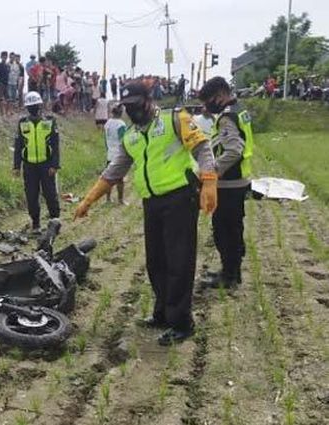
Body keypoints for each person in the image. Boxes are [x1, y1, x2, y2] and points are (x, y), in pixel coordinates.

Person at [74, 81, 217, 345]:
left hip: (180, 199)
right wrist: (89, 200)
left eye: (136, 105)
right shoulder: (131, 136)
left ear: (148, 101)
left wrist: (209, 181)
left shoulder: (175, 119)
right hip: (152, 203)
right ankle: (162, 312)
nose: (132, 111)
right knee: (156, 261)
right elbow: (115, 170)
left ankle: (182, 322)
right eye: (127, 107)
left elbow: (202, 148)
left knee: (179, 262)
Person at [198, 76, 254, 289]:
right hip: (239, 181)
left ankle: (229, 276)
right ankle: (233, 272)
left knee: (224, 230)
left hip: (229, 184)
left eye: (209, 100)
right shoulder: (240, 110)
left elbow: (234, 150)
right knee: (234, 228)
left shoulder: (226, 118)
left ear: (221, 95)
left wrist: (212, 172)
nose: (206, 106)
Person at [14, 91, 60, 233]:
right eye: (30, 106)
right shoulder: (22, 123)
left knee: (50, 194)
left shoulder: (49, 121)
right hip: (29, 166)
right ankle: (36, 224)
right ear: (27, 108)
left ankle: (55, 222)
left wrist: (55, 165)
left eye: (35, 105)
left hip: (46, 165)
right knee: (31, 196)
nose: (33, 108)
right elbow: (18, 146)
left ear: (40, 105)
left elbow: (55, 145)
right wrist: (16, 166)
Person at [103, 104, 127, 204]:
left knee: (109, 177)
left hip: (110, 152)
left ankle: (108, 198)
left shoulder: (107, 123)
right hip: (118, 153)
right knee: (120, 179)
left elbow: (105, 139)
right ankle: (120, 200)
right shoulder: (121, 124)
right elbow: (123, 140)